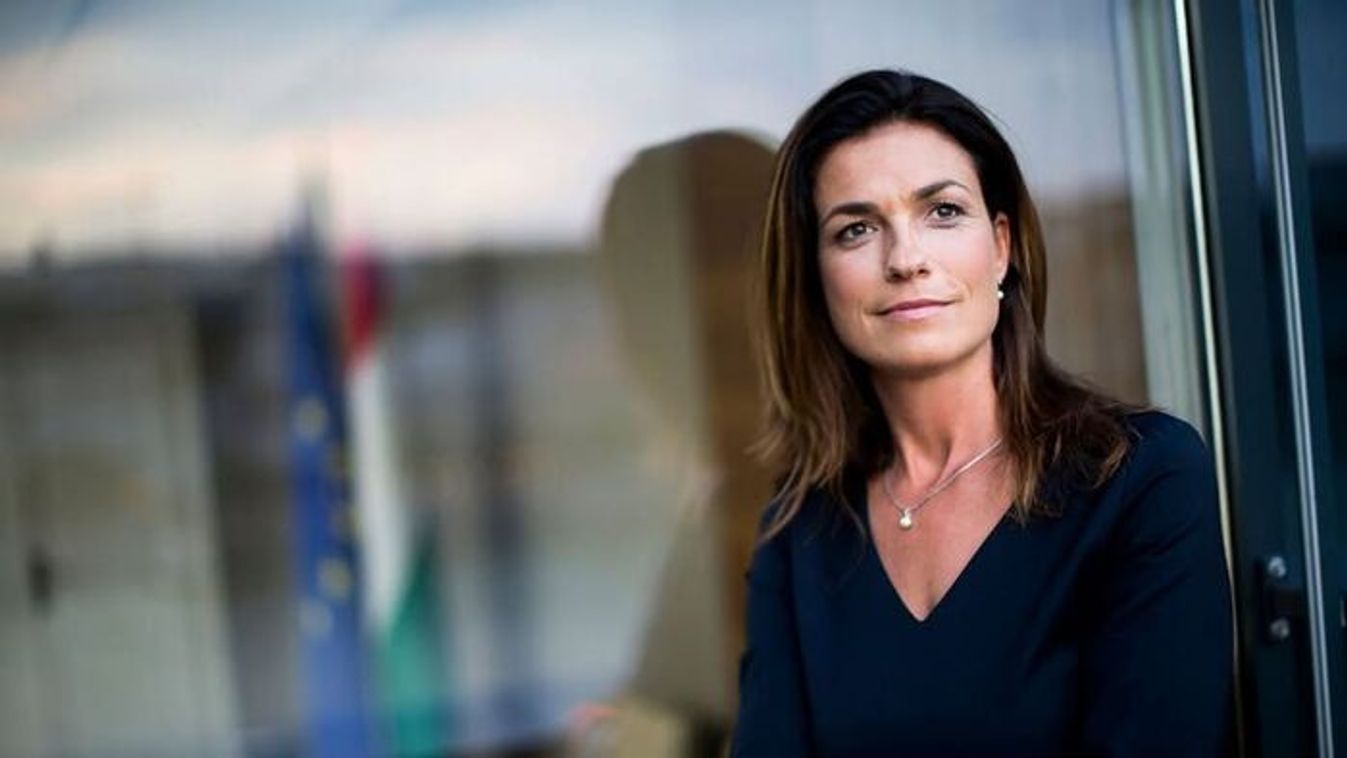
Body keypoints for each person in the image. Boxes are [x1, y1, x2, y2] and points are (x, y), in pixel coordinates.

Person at [731, 70, 1233, 756]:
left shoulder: (1142, 477)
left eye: (942, 212)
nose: (906, 259)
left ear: (1001, 246)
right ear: (816, 279)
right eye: (856, 229)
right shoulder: (801, 529)